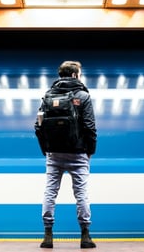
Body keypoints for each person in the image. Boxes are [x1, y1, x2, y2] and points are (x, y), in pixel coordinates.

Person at [34, 60, 97, 249]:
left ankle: (47, 235)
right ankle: (85, 235)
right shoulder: (83, 96)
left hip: (54, 153)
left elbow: (38, 126)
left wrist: (45, 149)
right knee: (81, 193)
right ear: (76, 75)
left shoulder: (47, 95)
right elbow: (90, 126)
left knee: (50, 191)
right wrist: (90, 151)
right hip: (78, 153)